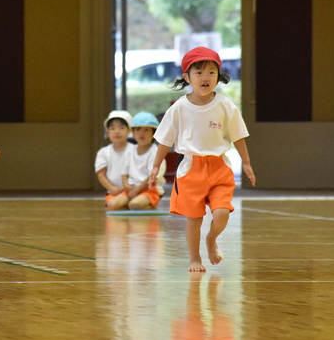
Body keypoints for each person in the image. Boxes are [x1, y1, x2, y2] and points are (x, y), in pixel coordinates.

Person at [148, 47, 256, 273]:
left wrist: (246, 163)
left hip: (219, 168)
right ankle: (194, 258)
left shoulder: (225, 105)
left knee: (222, 213)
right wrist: (156, 165)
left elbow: (238, 136)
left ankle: (212, 239)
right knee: (194, 218)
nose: (205, 78)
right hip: (190, 169)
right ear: (187, 77)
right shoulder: (179, 108)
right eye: (199, 73)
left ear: (219, 76)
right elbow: (165, 140)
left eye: (211, 72)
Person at [122, 111, 166, 210]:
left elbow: (152, 178)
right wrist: (126, 186)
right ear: (132, 132)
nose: (141, 133)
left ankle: (151, 206)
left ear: (154, 133)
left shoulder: (156, 152)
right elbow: (124, 173)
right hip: (132, 188)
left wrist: (136, 191)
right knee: (114, 204)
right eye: (138, 129)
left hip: (150, 189)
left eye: (146, 130)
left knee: (134, 205)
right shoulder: (130, 150)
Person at [94, 110, 134, 211]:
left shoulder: (134, 150)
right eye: (112, 128)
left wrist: (125, 188)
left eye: (122, 128)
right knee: (113, 206)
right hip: (113, 192)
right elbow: (101, 174)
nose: (117, 131)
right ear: (107, 131)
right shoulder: (103, 152)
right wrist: (112, 188)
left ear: (129, 131)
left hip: (131, 190)